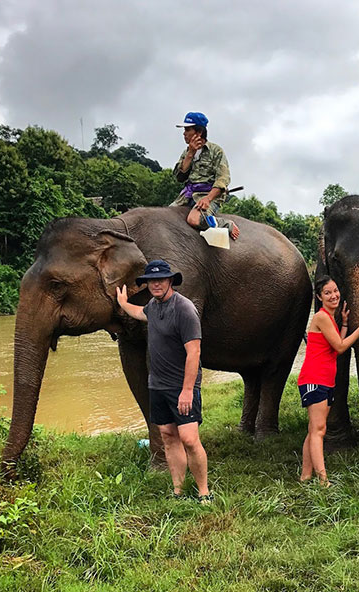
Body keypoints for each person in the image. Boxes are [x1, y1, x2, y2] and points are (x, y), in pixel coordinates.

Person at [116, 260, 213, 504]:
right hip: (157, 385)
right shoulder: (152, 306)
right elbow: (139, 313)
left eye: (160, 279)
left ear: (170, 281)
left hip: (181, 387)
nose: (156, 284)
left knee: (190, 439)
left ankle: (204, 492)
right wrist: (122, 303)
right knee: (168, 437)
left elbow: (194, 352)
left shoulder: (184, 309)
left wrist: (187, 391)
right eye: (151, 280)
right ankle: (178, 491)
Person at [298, 276, 359, 485]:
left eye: (335, 291)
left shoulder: (329, 318)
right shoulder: (321, 317)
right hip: (315, 379)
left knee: (314, 429)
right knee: (319, 430)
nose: (333, 295)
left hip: (325, 380)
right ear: (319, 297)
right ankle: (323, 480)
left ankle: (305, 475)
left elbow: (336, 342)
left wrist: (344, 323)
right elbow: (341, 347)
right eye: (327, 293)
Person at [171, 111, 240, 240]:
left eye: (187, 129)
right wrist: (190, 154)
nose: (184, 133)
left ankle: (225, 224)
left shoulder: (216, 151)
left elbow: (223, 179)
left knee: (194, 220)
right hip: (187, 195)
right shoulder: (186, 152)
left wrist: (208, 199)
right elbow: (179, 177)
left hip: (208, 196)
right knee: (165, 216)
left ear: (199, 132)